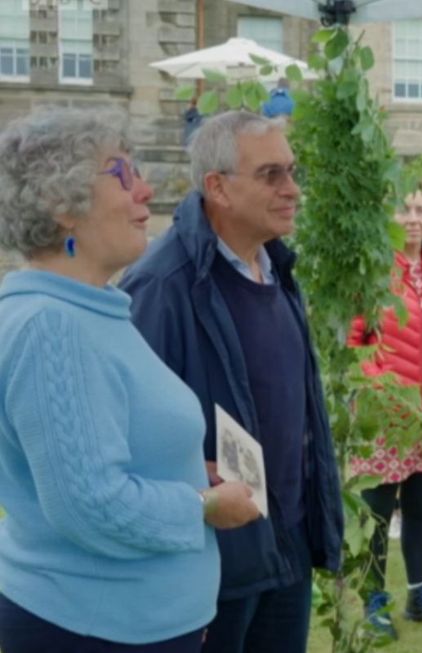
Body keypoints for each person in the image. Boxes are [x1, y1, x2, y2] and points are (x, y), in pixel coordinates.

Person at [0, 108, 260, 653]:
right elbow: (90, 506)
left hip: (134, 624)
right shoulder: (52, 325)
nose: (145, 190)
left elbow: (102, 454)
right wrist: (204, 507)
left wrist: (188, 472)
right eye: (121, 172)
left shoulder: (93, 309)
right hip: (94, 629)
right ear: (59, 203)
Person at [120, 110, 344, 653]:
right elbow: (130, 433)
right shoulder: (163, 285)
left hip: (284, 543)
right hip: (213, 558)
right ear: (217, 187)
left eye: (292, 171)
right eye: (271, 174)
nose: (292, 189)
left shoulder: (275, 266)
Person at [348, 182, 422, 638]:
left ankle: (420, 595)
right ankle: (373, 602)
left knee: (418, 507)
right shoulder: (373, 271)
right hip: (383, 415)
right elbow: (354, 343)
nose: (413, 218)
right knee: (377, 513)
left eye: (421, 210)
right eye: (403, 208)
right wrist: (387, 396)